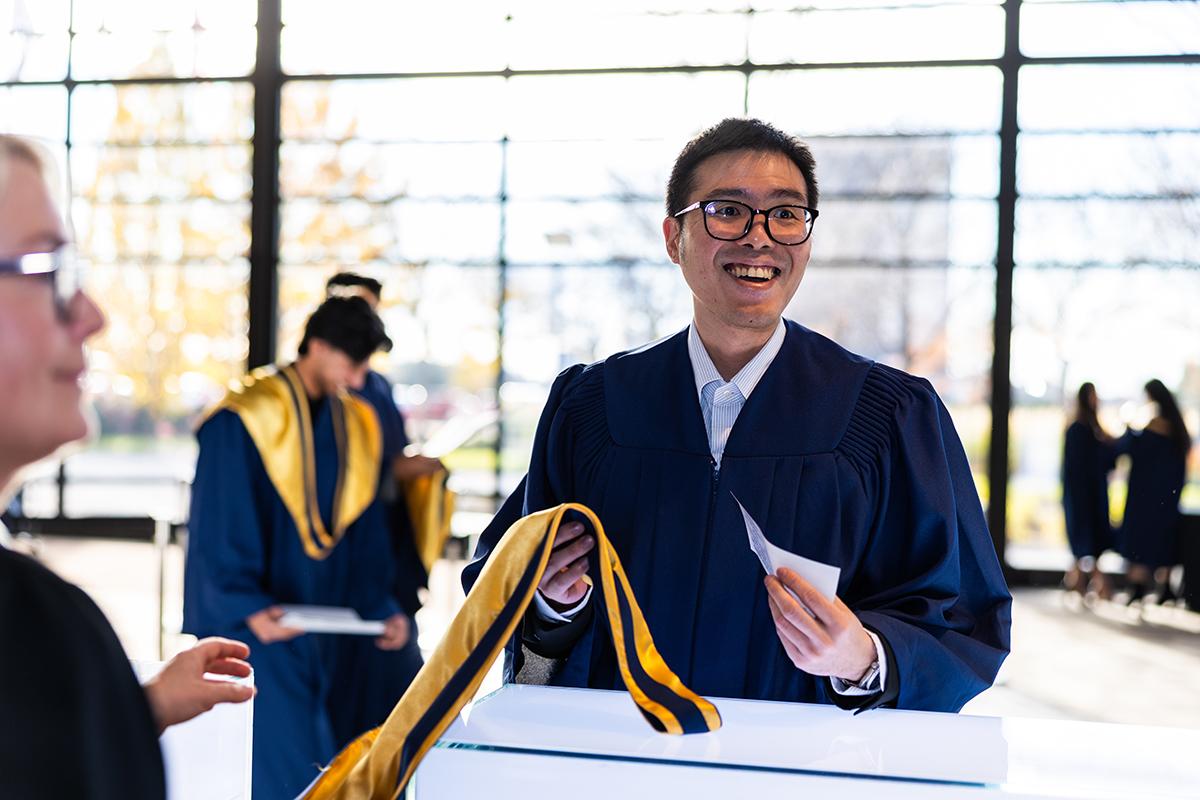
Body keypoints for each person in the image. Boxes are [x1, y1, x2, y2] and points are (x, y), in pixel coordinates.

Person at [464, 118, 1011, 713]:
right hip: (620, 758)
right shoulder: (592, 407)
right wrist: (552, 602)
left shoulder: (890, 416)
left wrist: (864, 657)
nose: (760, 237)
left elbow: (963, 617)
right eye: (727, 211)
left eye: (786, 214)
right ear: (674, 238)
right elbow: (502, 580)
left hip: (804, 765)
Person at [0, 133, 254, 797]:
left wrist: (131, 707)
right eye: (44, 268)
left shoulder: (46, 639)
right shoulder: (40, 625)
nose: (92, 315)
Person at [183, 296, 413, 799]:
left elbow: (366, 532)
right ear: (317, 346)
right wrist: (248, 608)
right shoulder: (242, 419)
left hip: (334, 616)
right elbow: (220, 529)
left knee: (400, 675)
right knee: (290, 753)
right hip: (259, 618)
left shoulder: (356, 423)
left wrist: (384, 607)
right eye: (352, 363)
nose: (357, 380)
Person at [325, 271, 444, 615]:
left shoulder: (377, 384)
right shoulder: (327, 390)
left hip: (389, 534)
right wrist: (392, 469)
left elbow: (393, 446)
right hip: (347, 545)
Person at [1116, 379, 1192, 604]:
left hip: (1145, 498)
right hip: (1167, 498)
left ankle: (1138, 586)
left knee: (1142, 540)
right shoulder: (1178, 431)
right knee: (1163, 540)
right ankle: (1165, 586)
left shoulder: (1151, 430)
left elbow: (1130, 451)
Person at [1061, 382, 1117, 598]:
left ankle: (1077, 580)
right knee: (1087, 538)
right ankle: (1096, 583)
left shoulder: (1087, 428)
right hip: (1083, 495)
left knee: (1087, 540)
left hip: (1089, 494)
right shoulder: (1080, 429)